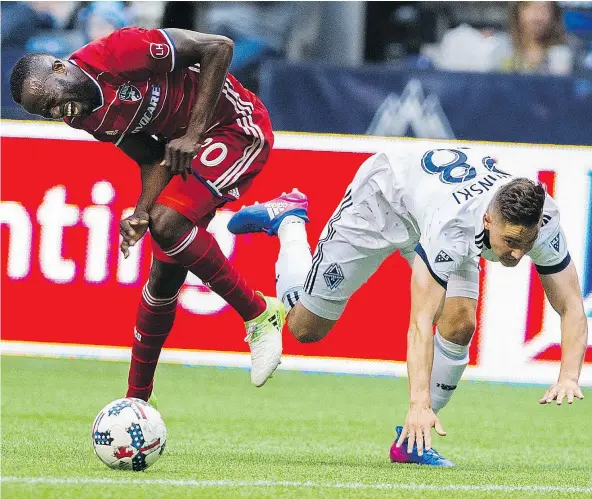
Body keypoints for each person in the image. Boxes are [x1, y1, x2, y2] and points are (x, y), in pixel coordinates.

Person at [228, 146, 588, 467]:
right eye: (510, 242)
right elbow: (420, 323)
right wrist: (418, 402)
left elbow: (571, 304)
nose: (516, 254)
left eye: (526, 243)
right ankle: (289, 220)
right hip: (381, 202)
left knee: (461, 324)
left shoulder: (543, 221)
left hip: (433, 210)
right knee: (304, 329)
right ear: (488, 220)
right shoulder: (455, 227)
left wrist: (569, 375)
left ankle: (411, 444)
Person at [9, 26, 286, 403]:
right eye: (48, 114)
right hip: (187, 149)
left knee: (168, 224)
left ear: (60, 69)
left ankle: (258, 312)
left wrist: (193, 134)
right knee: (162, 277)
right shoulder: (86, 118)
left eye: (52, 101)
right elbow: (152, 157)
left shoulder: (120, 52)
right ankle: (136, 401)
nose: (59, 113)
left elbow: (219, 48)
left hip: (235, 128)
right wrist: (140, 212)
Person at [497, 1, 573, 75]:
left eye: (545, 9)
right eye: (530, 7)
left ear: (554, 15)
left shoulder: (561, 54)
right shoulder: (499, 48)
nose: (538, 17)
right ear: (517, 12)